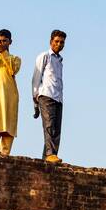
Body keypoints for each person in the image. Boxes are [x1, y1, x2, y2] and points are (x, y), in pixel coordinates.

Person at [32, 30, 66, 160]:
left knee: (56, 130)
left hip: (58, 98)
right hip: (46, 96)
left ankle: (48, 157)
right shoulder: (44, 56)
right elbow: (36, 79)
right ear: (51, 41)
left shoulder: (60, 61)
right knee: (49, 126)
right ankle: (50, 154)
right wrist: (35, 102)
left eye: (62, 42)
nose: (59, 44)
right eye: (56, 41)